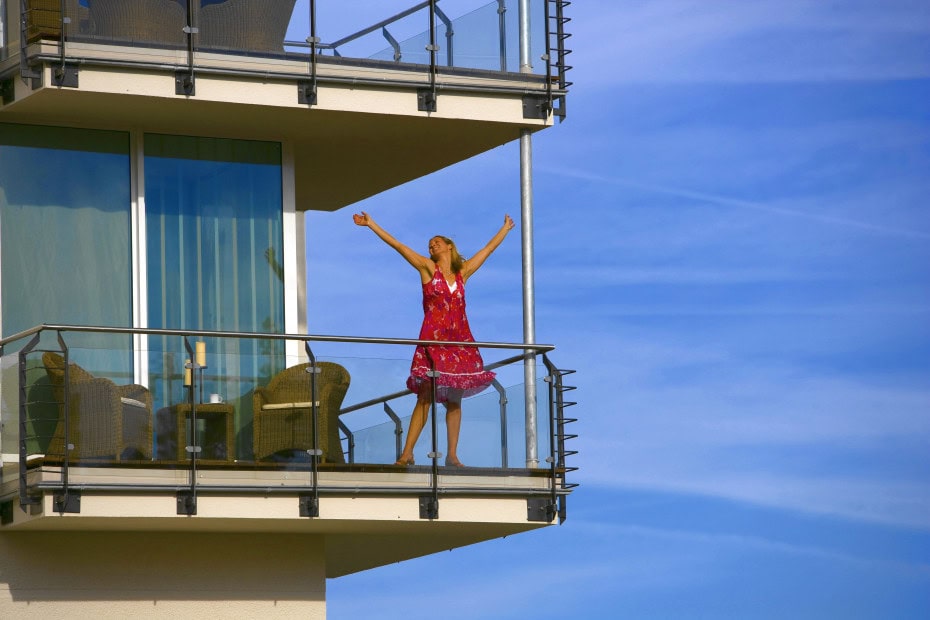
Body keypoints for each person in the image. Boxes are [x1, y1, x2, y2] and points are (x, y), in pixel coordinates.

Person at [353, 211, 515, 467]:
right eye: (429, 244)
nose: (432, 245)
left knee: (455, 399)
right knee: (425, 397)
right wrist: (372, 224)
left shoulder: (463, 274)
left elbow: (488, 249)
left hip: (460, 343)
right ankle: (407, 453)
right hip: (433, 341)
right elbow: (398, 246)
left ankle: (452, 455)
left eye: (437, 241)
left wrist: (505, 229)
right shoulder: (428, 269)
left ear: (450, 247)